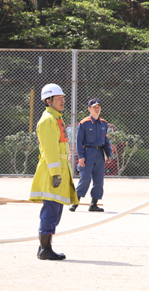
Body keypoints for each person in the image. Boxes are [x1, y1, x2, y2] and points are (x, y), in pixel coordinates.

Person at [30, 83, 79, 260]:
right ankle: (44, 249)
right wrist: (55, 173)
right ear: (48, 101)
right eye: (59, 98)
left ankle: (46, 247)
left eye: (63, 98)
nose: (63, 101)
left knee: (56, 211)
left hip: (58, 172)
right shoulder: (47, 120)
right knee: (50, 211)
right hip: (52, 173)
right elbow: (50, 150)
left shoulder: (56, 118)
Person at [69, 98, 112, 212]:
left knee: (99, 180)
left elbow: (106, 140)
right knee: (85, 178)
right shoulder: (84, 123)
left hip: (100, 153)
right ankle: (75, 202)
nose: (97, 109)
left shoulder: (104, 123)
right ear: (89, 109)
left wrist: (109, 154)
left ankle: (94, 204)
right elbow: (79, 141)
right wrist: (81, 156)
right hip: (88, 153)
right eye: (94, 107)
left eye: (99, 107)